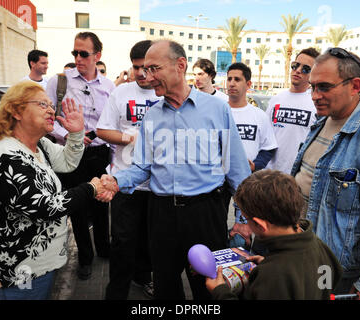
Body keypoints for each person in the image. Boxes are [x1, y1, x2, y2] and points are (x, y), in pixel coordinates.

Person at [98, 40, 251, 300]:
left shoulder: (217, 109)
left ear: (180, 66)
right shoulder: (152, 116)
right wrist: (115, 181)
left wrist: (243, 219)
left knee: (210, 288)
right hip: (162, 215)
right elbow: (142, 168)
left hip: (206, 215)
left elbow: (236, 170)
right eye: (145, 70)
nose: (147, 76)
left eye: (154, 68)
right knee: (166, 287)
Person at [0, 81, 108, 300]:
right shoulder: (4, 156)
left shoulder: (39, 144)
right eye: (43, 104)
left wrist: (77, 133)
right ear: (16, 110)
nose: (51, 110)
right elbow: (43, 207)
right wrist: (91, 188)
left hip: (36, 267)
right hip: (11, 273)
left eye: (51, 105)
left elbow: (67, 162)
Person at [292, 47, 360, 300]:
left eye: (324, 87)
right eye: (313, 87)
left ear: (354, 86)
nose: (314, 96)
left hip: (341, 276)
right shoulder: (319, 125)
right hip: (303, 262)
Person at [206, 170, 343, 300]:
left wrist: (221, 292)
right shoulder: (320, 246)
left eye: (245, 218)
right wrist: (271, 261)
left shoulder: (271, 276)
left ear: (260, 225)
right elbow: (324, 284)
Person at [46, 32, 115, 280]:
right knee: (77, 204)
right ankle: (84, 257)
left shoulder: (109, 86)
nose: (78, 58)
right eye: (74, 53)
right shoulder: (59, 82)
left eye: (83, 54)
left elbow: (113, 122)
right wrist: (68, 135)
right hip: (71, 153)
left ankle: (104, 249)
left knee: (101, 202)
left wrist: (113, 158)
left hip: (99, 152)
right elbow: (47, 118)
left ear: (97, 56)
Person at [96, 40, 161, 300]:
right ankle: (117, 291)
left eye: (148, 68)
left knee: (151, 241)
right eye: (137, 68)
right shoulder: (121, 93)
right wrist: (131, 139)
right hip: (125, 181)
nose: (142, 74)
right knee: (122, 241)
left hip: (158, 185)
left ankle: (144, 278)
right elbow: (102, 130)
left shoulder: (164, 91)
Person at [226, 62, 278, 249]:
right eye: (229, 79)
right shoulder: (218, 111)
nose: (232, 83)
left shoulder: (258, 115)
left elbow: (269, 147)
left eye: (237, 79)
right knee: (215, 230)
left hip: (246, 184)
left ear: (248, 84)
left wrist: (255, 165)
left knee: (241, 237)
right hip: (217, 183)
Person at [265, 47, 319, 174]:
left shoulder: (316, 103)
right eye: (295, 65)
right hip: (271, 175)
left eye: (306, 69)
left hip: (298, 177)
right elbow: (266, 137)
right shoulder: (276, 100)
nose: (298, 71)